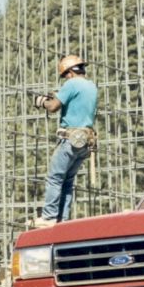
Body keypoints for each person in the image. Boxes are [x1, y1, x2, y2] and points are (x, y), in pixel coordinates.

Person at [30, 55, 98, 229]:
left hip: (70, 139)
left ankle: (49, 217)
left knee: (54, 178)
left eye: (65, 75)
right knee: (67, 181)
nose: (65, 79)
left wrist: (42, 102)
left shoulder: (72, 84)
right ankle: (63, 219)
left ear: (70, 72)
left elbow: (53, 107)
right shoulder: (91, 86)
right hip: (85, 141)